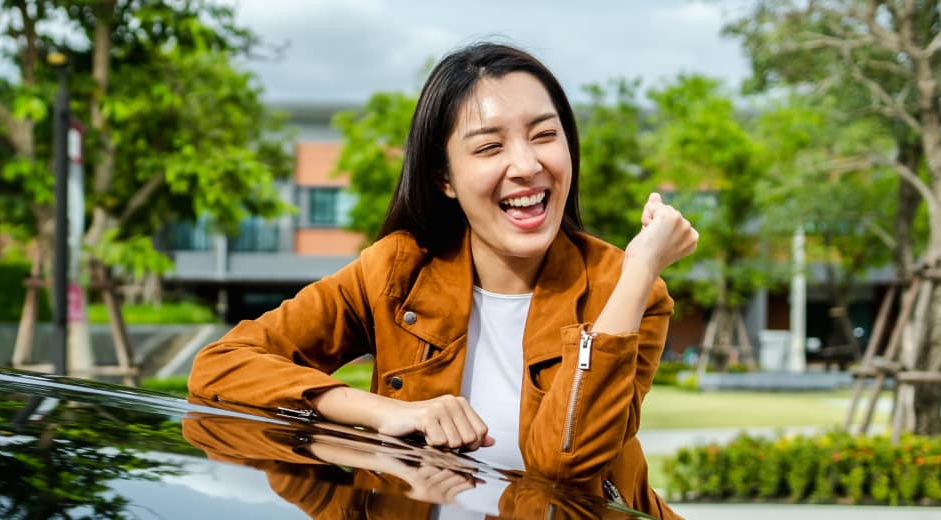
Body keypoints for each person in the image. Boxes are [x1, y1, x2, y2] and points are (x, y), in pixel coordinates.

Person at [187, 42, 698, 519]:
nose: (526, 165)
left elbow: (563, 464)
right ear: (444, 179)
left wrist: (640, 270)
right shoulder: (396, 272)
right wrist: (378, 412)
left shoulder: (629, 290)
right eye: (488, 147)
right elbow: (219, 369)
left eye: (545, 135)